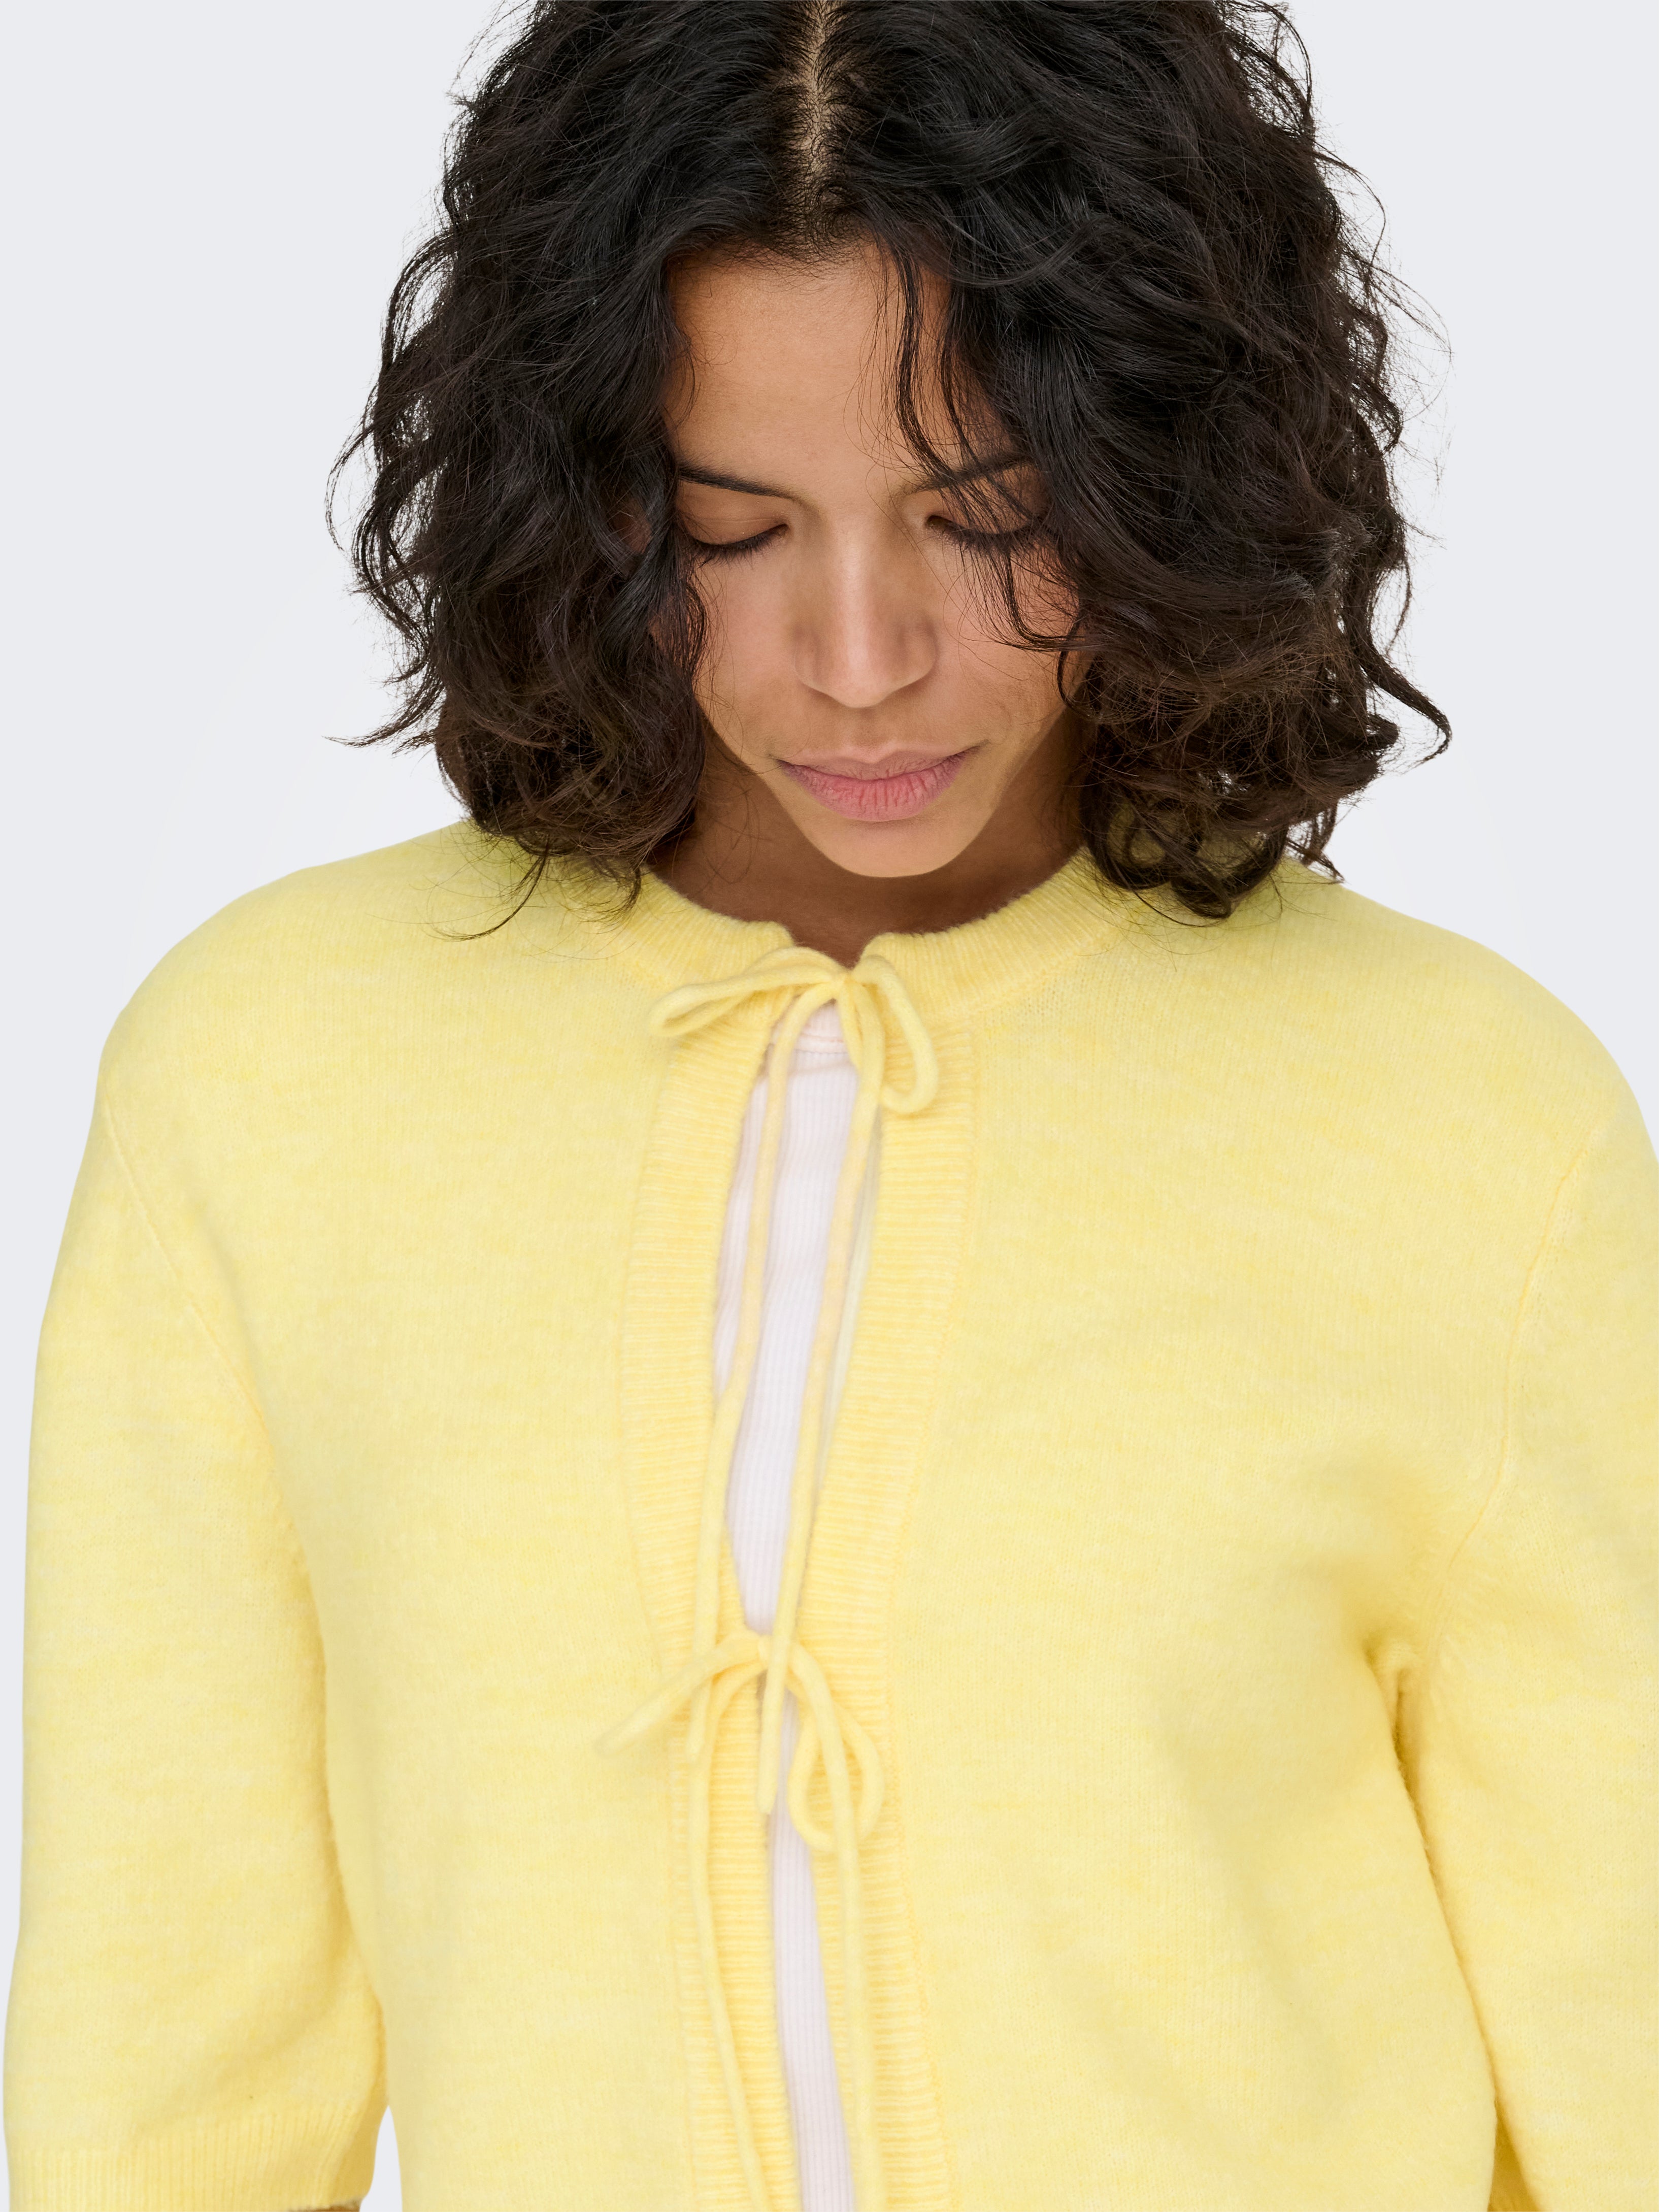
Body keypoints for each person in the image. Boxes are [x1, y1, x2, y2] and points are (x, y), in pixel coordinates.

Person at [5, 2, 1654, 2208]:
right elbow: (162, 2056)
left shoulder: (1465, 1121)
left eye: (985, 520)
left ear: (1165, 473)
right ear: (585, 506)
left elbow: (1622, 2033)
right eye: (731, 527)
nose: (860, 658)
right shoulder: (271, 1076)